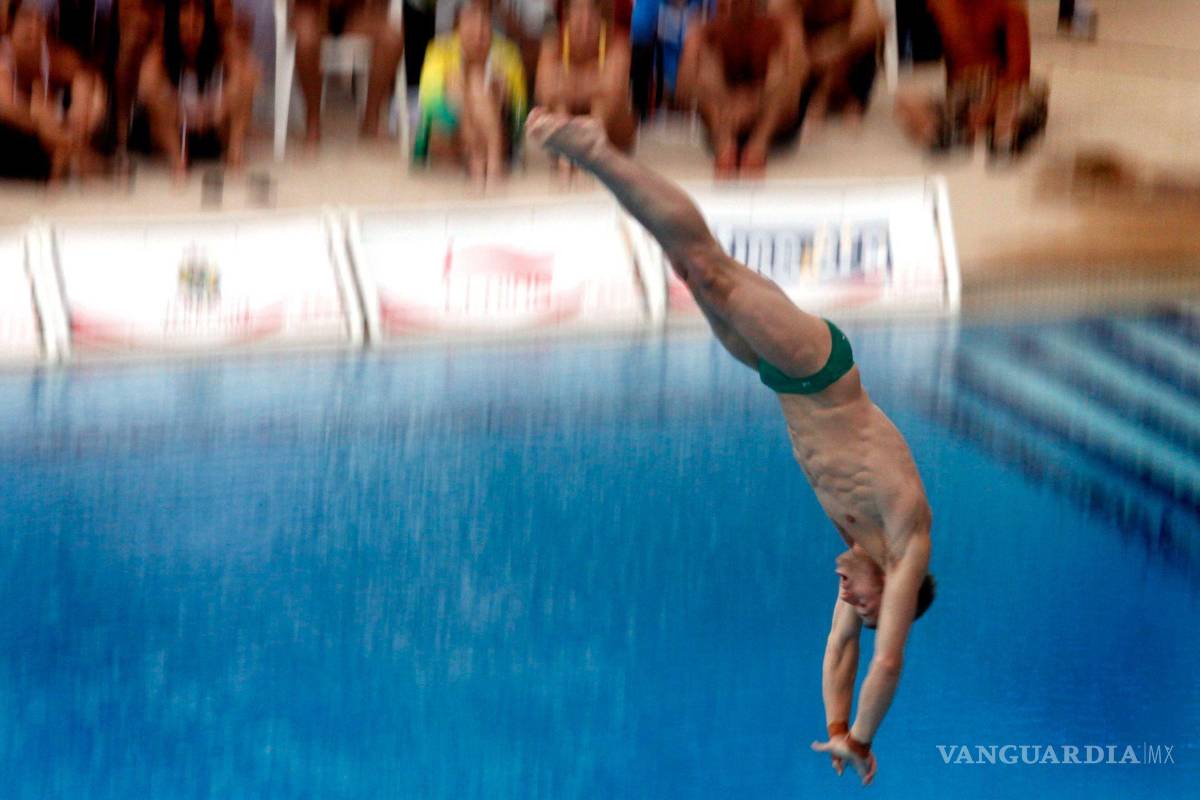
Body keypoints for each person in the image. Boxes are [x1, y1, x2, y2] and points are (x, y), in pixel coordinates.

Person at [526, 108, 936, 786]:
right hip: (819, 369)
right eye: (867, 607)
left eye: (856, 603)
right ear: (895, 591)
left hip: (776, 375)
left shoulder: (867, 555)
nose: (847, 598)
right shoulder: (905, 538)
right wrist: (865, 740)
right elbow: (884, 661)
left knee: (689, 270)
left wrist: (835, 729)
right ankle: (597, 151)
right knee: (708, 270)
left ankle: (601, 163)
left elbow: (840, 652)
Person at [895, 0, 1046, 159]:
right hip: (967, 90)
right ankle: (949, 137)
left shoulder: (1010, 5)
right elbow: (954, 73)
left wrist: (987, 108)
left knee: (1012, 109)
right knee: (905, 102)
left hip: (1004, 89)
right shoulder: (943, 5)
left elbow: (1019, 72)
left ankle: (1003, 136)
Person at [676, 0, 802, 179]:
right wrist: (726, 101)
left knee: (782, 68)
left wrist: (753, 102)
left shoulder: (782, 25)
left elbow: (797, 76)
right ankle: (725, 146)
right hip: (722, 119)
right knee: (704, 66)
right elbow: (684, 88)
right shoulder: (703, 30)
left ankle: (758, 146)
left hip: (771, 121)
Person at [413, 0, 527, 187]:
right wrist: (467, 106)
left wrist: (495, 89)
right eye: (472, 20)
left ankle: (484, 158)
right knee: (462, 79)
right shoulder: (440, 50)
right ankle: (484, 158)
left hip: (497, 129)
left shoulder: (507, 53)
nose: (479, 28)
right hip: (451, 133)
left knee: (484, 82)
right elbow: (431, 103)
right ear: (458, 23)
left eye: (485, 21)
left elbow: (519, 111)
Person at [136, 0, 257, 175]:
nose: (191, 32)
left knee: (244, 83)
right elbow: (146, 83)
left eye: (197, 24)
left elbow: (249, 75)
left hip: (212, 124)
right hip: (176, 126)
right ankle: (177, 161)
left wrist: (218, 106)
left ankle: (235, 153)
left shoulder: (222, 40)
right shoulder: (162, 46)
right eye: (185, 27)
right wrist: (180, 109)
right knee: (154, 95)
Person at [0, 0, 107, 180]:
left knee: (88, 97)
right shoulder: (3, 56)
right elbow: (7, 106)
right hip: (12, 133)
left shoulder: (50, 54)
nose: (33, 27)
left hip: (46, 135)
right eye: (26, 19)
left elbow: (86, 77)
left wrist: (84, 108)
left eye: (39, 20)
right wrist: (42, 121)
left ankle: (70, 155)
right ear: (11, 24)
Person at [535, 0, 634, 176]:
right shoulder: (553, 43)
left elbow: (614, 89)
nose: (585, 21)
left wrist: (570, 81)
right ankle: (568, 156)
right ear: (567, 16)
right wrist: (594, 78)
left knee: (601, 102)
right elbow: (544, 92)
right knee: (559, 103)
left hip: (611, 134)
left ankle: (589, 154)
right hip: (566, 120)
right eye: (578, 12)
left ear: (600, 17)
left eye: (591, 13)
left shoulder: (617, 42)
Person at [291, 0, 404, 145]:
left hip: (355, 13)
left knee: (392, 39)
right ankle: (313, 121)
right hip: (312, 10)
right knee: (306, 40)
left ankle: (371, 119)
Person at [771, 0, 882, 129]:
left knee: (867, 36)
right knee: (785, 47)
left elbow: (871, 26)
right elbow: (778, 19)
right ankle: (817, 95)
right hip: (809, 58)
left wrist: (834, 42)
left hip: (846, 60)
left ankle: (846, 98)